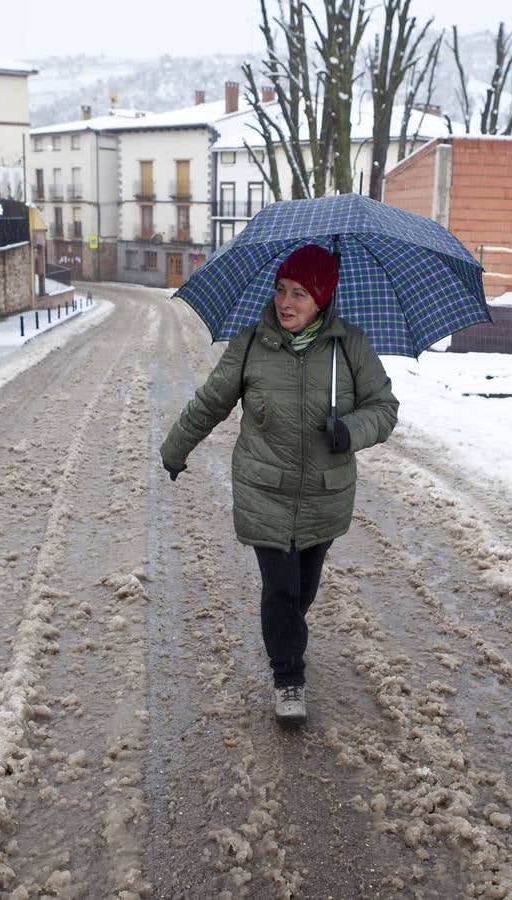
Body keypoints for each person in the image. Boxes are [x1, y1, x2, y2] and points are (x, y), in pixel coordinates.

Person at [160, 243, 399, 724]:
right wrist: (175, 448)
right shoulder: (251, 343)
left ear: (322, 300)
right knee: (281, 588)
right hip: (263, 489)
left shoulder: (348, 346)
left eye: (300, 294)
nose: (285, 303)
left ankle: (288, 632)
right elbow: (211, 402)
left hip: (323, 496)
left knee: (303, 589)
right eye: (281, 289)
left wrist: (351, 430)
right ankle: (288, 677)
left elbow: (384, 408)